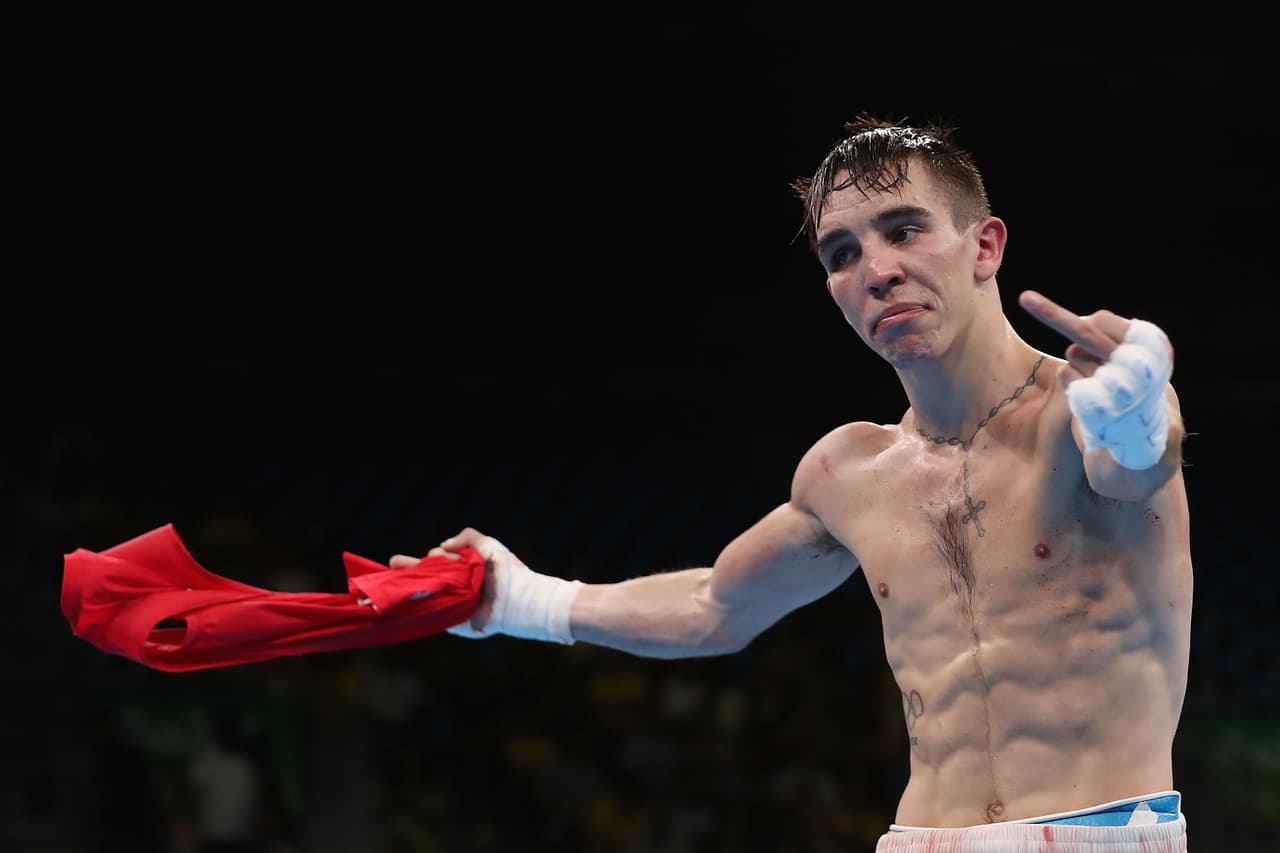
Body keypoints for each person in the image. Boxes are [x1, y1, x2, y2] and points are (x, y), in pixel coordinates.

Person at [395, 115, 1193, 851]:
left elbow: (1136, 464)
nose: (876, 271)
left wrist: (1135, 411)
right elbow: (715, 604)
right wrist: (521, 599)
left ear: (984, 247)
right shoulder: (848, 472)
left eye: (904, 230)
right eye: (841, 254)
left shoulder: (1085, 411)